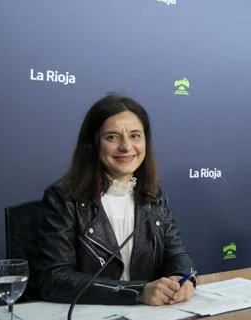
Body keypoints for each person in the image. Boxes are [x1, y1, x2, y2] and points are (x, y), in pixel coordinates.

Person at [37, 94, 197, 306]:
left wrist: (183, 278)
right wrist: (137, 292)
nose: (126, 147)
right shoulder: (63, 198)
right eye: (112, 137)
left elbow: (177, 254)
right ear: (93, 144)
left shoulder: (153, 195)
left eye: (135, 136)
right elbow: (54, 279)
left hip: (147, 319)